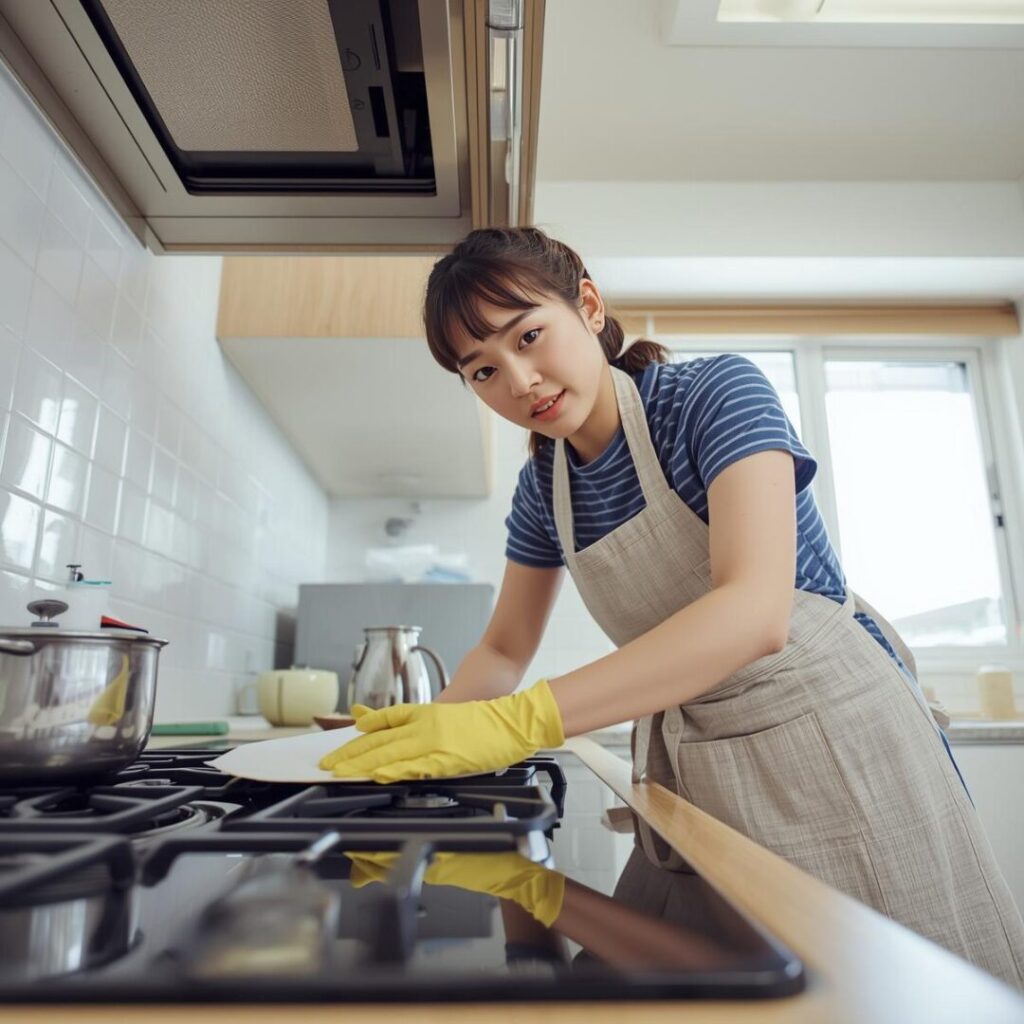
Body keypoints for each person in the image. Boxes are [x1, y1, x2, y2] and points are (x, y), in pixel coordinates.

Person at [320, 226, 1024, 988]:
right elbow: (503, 649)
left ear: (587, 305)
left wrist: (514, 723)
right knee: (725, 984)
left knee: (886, 984)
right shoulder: (542, 489)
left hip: (834, 738)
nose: (520, 381)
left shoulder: (713, 396)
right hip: (703, 761)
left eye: (529, 336)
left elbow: (756, 610)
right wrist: (428, 738)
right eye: (483, 369)